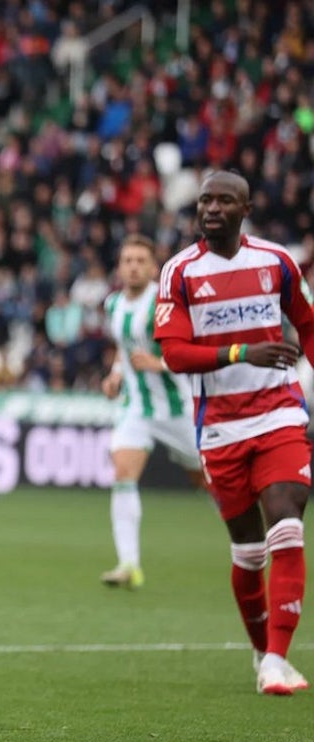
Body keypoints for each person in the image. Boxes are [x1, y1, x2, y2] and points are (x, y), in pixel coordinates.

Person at [156, 169, 312, 695]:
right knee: (247, 551)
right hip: (219, 427)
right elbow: (175, 355)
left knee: (286, 522)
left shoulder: (276, 262)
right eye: (205, 201)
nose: (212, 208)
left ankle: (276, 658)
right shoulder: (178, 272)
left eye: (225, 200)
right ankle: (261, 650)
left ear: (246, 209)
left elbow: (308, 323)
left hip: (279, 414)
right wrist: (243, 351)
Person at [98, 234, 206, 590]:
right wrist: (116, 375)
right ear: (119, 266)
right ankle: (129, 564)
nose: (133, 266)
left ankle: (251, 541)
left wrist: (159, 365)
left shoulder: (166, 303)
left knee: (208, 479)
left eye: (140, 260)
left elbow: (195, 351)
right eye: (127, 260)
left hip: (177, 409)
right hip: (137, 409)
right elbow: (124, 350)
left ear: (153, 267)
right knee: (123, 471)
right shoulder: (113, 304)